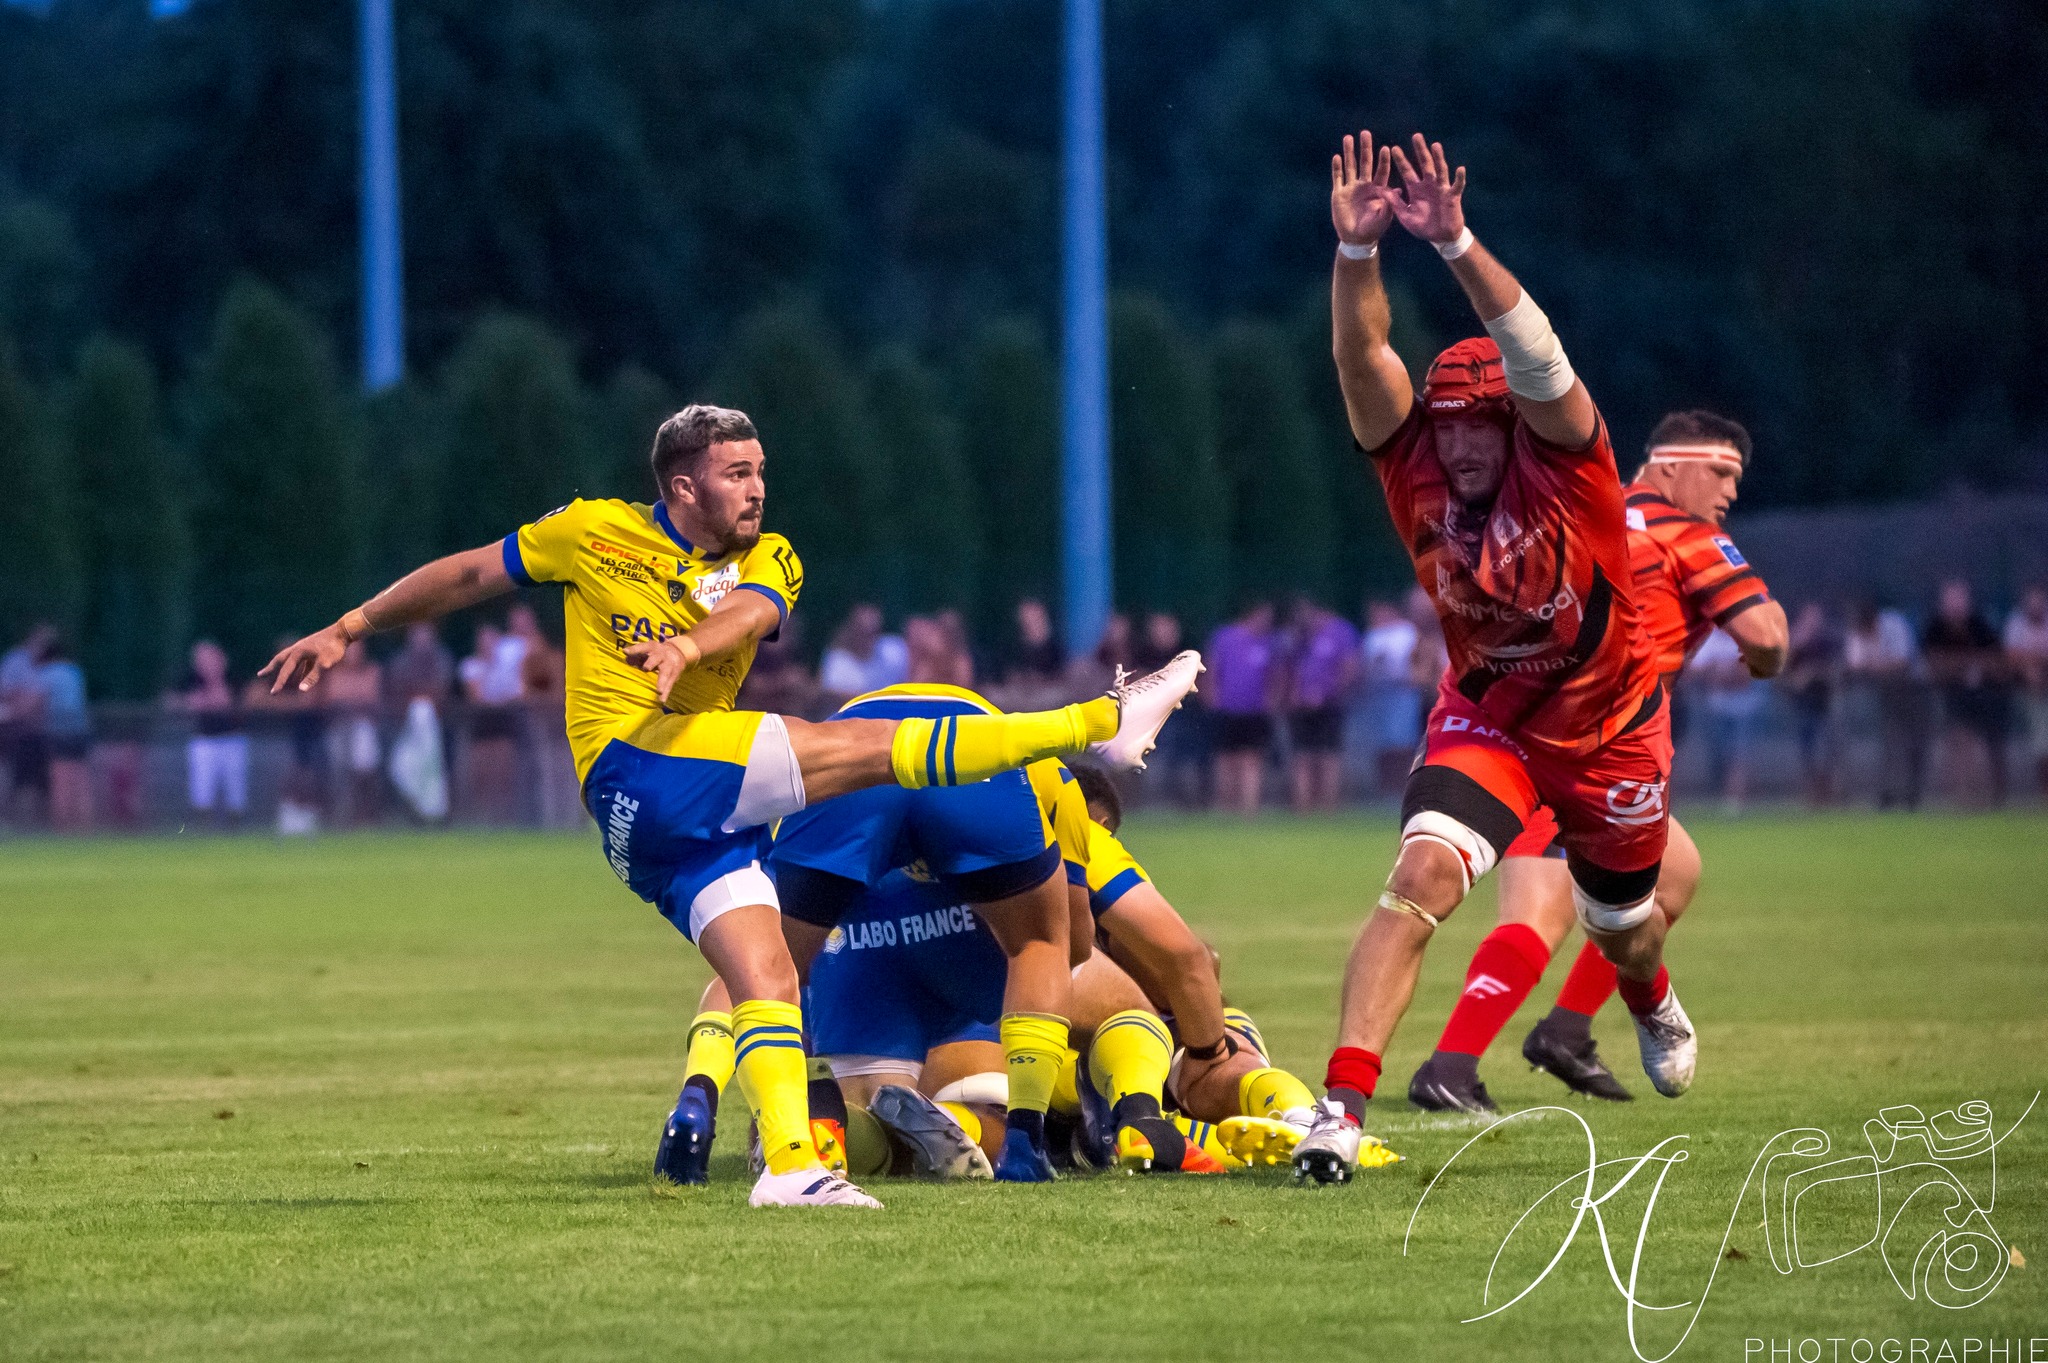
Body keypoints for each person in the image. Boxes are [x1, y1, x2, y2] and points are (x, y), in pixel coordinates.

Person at [260, 403, 1197, 1210]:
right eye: (736, 473)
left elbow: (750, 614)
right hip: (639, 765)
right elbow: (471, 574)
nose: (756, 489)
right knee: (873, 750)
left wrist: (684, 649)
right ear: (681, 486)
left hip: (658, 824)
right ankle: (1099, 724)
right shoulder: (592, 532)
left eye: (760, 471)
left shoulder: (771, 557)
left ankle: (789, 1163)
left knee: (769, 979)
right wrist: (349, 628)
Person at [1295, 131, 1691, 1184]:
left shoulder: (1570, 465)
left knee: (1622, 930)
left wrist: (1456, 241)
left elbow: (1538, 355)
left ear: (1516, 430)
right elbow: (1360, 359)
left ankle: (1647, 1000)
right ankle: (1337, 1107)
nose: (1462, 444)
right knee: (1417, 879)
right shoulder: (1412, 458)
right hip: (1488, 719)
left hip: (1608, 730)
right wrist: (1355, 256)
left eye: (1484, 426)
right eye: (1449, 426)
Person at [1407, 407, 1786, 1112]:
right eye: (1723, 473)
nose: (1730, 493)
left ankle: (1565, 1030)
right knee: (1541, 916)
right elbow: (1766, 633)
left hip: (1504, 716)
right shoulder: (1687, 533)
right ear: (1672, 465)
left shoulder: (1575, 504)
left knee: (1672, 875)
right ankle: (1450, 1068)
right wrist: (1765, 659)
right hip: (1586, 743)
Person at [1922, 578, 2010, 805]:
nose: (1955, 604)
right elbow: (1930, 664)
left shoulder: (1980, 626)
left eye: (1959, 598)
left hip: (1985, 698)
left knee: (1991, 744)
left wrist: (1964, 665)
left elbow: (1997, 661)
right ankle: (1958, 795)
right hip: (1949, 697)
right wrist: (1964, 665)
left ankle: (1994, 796)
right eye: (1950, 599)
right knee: (1957, 744)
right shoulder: (1935, 628)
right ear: (1942, 602)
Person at [1844, 599, 1928, 809]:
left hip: (1913, 690)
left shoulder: (1893, 624)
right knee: (1889, 744)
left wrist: (1875, 667)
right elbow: (1855, 665)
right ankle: (1887, 794)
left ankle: (1913, 796)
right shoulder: (1857, 632)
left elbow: (1902, 662)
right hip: (1884, 695)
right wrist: (1878, 667)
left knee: (1915, 744)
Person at [1285, 597, 1358, 810]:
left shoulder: (1341, 632)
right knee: (1302, 756)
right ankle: (1304, 808)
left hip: (1329, 705)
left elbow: (1349, 668)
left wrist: (1327, 694)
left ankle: (1327, 808)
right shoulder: (1298, 636)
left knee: (1328, 756)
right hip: (1300, 706)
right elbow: (1289, 668)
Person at [1206, 600, 1279, 815]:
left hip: (1255, 710)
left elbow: (1275, 674)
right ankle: (1226, 805)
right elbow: (1212, 667)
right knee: (1226, 759)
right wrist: (1212, 697)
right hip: (1227, 709)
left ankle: (1248, 809)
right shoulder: (1225, 637)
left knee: (1251, 758)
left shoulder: (1268, 642)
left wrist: (1271, 700)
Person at [167, 640, 247, 828]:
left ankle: (235, 827)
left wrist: (206, 698)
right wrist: (190, 702)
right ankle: (204, 827)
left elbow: (227, 700)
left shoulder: (233, 678)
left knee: (235, 789)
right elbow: (170, 700)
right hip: (204, 741)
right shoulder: (189, 679)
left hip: (232, 739)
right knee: (202, 789)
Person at [384, 623, 454, 822]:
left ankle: (433, 814)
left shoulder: (442, 659)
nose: (421, 639)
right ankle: (412, 813)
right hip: (403, 728)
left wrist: (419, 695)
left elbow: (440, 694)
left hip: (440, 729)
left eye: (425, 634)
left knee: (432, 770)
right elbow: (398, 693)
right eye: (417, 634)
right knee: (399, 767)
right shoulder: (400, 662)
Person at [1357, 599, 1420, 796]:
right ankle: (1385, 788)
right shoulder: (1373, 635)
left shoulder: (1407, 632)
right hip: (1378, 694)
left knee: (1403, 742)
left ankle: (1404, 786)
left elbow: (1416, 659)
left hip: (1402, 691)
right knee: (1382, 744)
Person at [1783, 602, 1841, 805]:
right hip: (1803, 705)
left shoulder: (1827, 642)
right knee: (1807, 752)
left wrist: (1814, 673)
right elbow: (1784, 673)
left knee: (1826, 752)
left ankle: (1827, 796)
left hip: (1825, 704)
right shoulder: (1796, 643)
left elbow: (1836, 670)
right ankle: (1810, 796)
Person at [323, 641, 384, 826]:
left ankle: (366, 815)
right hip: (340, 730)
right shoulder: (334, 675)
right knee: (340, 773)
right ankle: (341, 816)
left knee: (365, 771)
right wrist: (355, 702)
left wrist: (352, 702)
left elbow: (372, 699)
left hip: (364, 728)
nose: (353, 655)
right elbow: (333, 700)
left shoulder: (372, 671)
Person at [34, 636, 93, 830]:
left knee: (60, 780)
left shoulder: (46, 672)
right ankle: (85, 828)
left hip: (59, 731)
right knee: (81, 780)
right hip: (80, 730)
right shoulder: (73, 670)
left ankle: (63, 829)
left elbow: (36, 702)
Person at [2003, 584, 2048, 799]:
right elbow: (2012, 659)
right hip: (2025, 695)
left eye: (2039, 601)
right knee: (2041, 743)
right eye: (2031, 601)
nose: (2035, 605)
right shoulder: (2016, 624)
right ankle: (2043, 794)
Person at [818, 604, 909, 705]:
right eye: (863, 632)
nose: (869, 638)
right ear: (852, 630)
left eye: (873, 632)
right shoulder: (837, 660)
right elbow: (834, 695)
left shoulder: (892, 647)